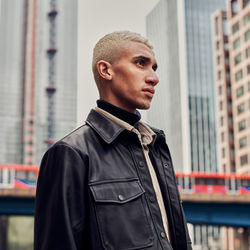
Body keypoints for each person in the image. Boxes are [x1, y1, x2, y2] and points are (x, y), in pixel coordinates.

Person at [34, 31, 192, 250]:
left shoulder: (156, 147)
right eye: (140, 63)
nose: (154, 78)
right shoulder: (71, 153)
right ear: (106, 70)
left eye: (154, 68)